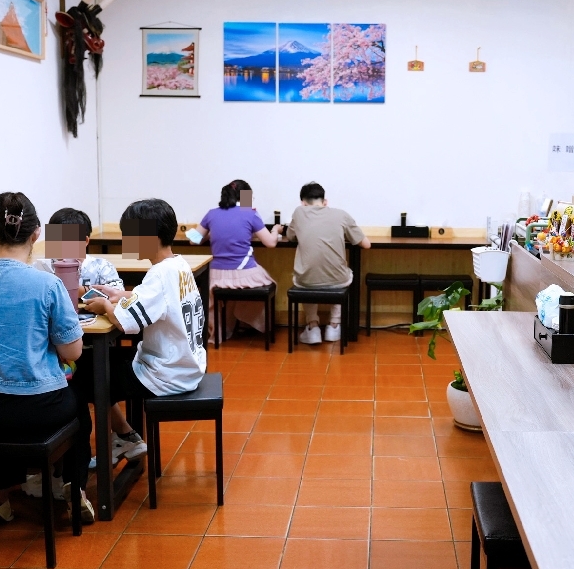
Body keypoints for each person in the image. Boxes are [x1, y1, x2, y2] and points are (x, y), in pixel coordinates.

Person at [0, 192, 95, 523]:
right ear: (37, 234)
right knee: (76, 407)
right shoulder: (48, 285)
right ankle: (75, 486)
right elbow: (73, 351)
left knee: (4, 405)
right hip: (38, 409)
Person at [32, 207, 143, 489]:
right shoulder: (42, 268)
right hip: (56, 344)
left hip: (91, 343)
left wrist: (83, 291)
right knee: (78, 374)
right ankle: (123, 435)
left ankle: (74, 464)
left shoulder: (100, 267)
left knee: (86, 373)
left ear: (86, 241)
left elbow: (120, 300)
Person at [81, 199, 207, 436]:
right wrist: (123, 294)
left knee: (86, 376)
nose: (125, 242)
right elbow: (162, 299)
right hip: (186, 366)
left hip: (165, 375)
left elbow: (123, 321)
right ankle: (127, 436)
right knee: (100, 364)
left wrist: (105, 306)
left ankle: (123, 439)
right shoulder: (178, 264)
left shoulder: (158, 274)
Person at [191, 180, 281, 345]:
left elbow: (193, 240)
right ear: (245, 196)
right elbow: (270, 243)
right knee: (270, 282)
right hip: (245, 273)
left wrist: (210, 235)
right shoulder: (250, 213)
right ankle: (248, 322)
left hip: (215, 276)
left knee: (224, 292)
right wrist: (275, 229)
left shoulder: (212, 214)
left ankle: (224, 329)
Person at [284, 183, 370, 344]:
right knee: (345, 274)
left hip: (305, 282)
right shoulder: (341, 215)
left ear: (302, 202)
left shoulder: (298, 212)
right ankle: (334, 325)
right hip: (338, 281)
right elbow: (366, 244)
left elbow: (290, 236)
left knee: (305, 275)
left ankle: (313, 326)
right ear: (325, 201)